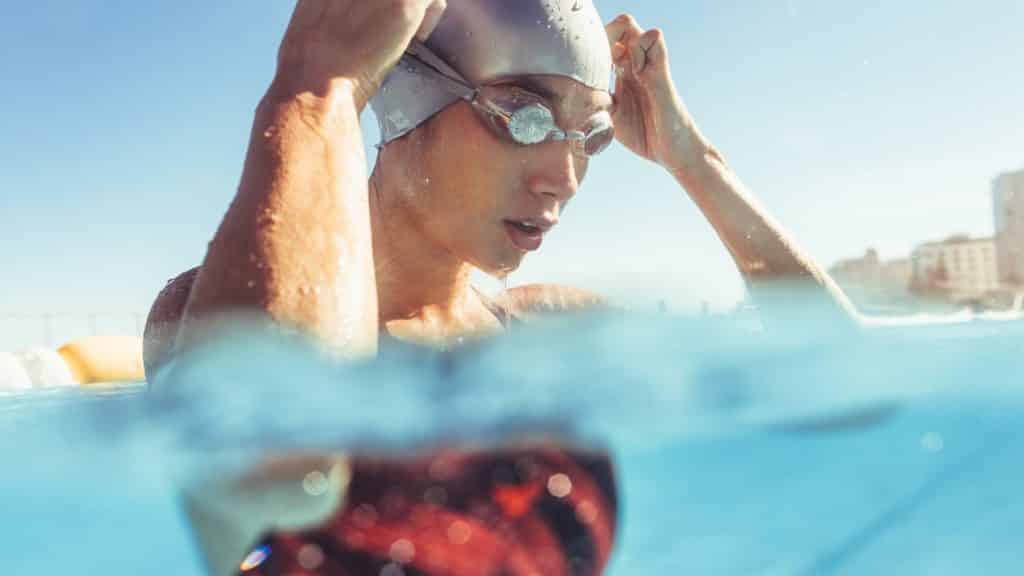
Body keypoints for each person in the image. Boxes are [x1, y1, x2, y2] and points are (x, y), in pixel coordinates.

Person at [143, 1, 861, 574]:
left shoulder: (554, 333)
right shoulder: (200, 313)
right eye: (525, 117)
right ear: (406, 100)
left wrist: (691, 157)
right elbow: (270, 472)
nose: (566, 177)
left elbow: (838, 392)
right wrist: (318, 82)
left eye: (592, 138)